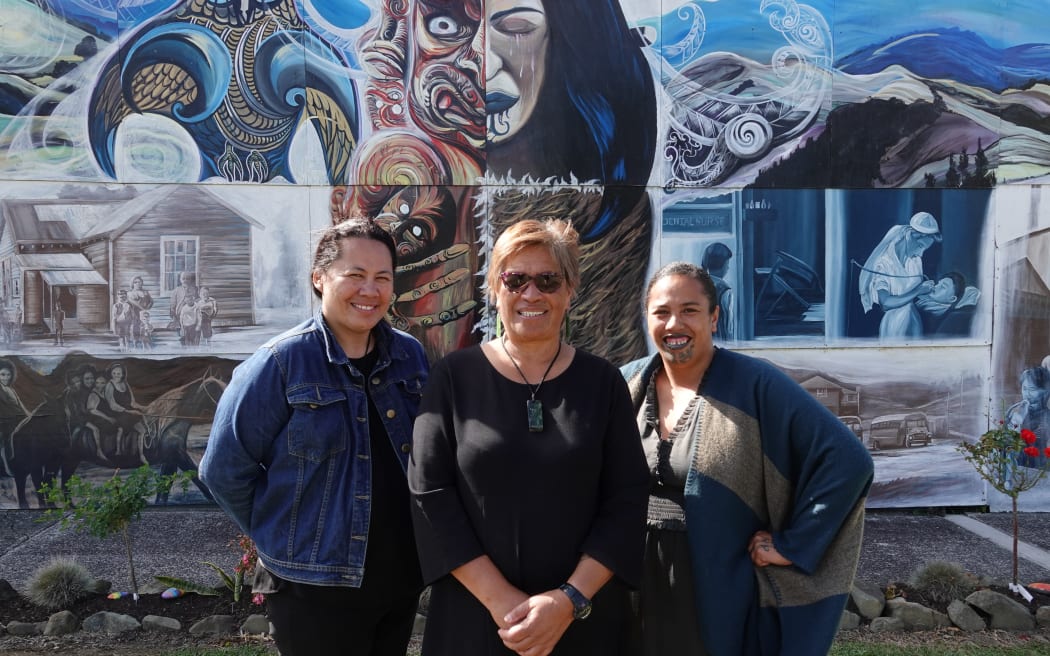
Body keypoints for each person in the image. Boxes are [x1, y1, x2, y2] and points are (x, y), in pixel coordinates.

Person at [408, 219, 648, 655]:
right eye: (515, 279)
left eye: (547, 280)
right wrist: (504, 603)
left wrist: (567, 601)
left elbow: (627, 500)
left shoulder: (603, 383)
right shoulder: (452, 379)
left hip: (583, 622)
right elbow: (430, 495)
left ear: (570, 290)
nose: (531, 294)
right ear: (494, 290)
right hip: (476, 620)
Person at [200, 217, 429, 656]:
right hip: (313, 587)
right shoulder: (280, 364)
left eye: (383, 278)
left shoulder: (409, 355)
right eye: (355, 275)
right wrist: (285, 536)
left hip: (399, 577)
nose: (371, 290)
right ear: (320, 279)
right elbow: (223, 471)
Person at [620, 262, 874, 656]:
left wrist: (795, 544)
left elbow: (848, 460)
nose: (675, 324)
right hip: (633, 582)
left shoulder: (754, 384)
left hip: (713, 585)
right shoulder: (626, 383)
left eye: (690, 310)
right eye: (662, 312)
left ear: (714, 317)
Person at [859, 211, 941, 339]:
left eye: (925, 249)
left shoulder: (915, 260)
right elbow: (885, 302)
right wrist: (918, 290)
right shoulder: (884, 263)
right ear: (910, 236)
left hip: (913, 324)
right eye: (920, 246)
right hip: (894, 328)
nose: (921, 253)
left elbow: (913, 296)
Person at [103, 362, 148, 464]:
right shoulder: (109, 385)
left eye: (118, 373)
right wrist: (129, 411)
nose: (116, 376)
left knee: (143, 427)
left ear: (123, 374)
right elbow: (112, 405)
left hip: (129, 411)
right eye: (114, 373)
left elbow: (132, 402)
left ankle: (141, 454)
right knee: (135, 426)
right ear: (111, 373)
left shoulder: (125, 384)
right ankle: (120, 451)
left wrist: (143, 408)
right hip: (116, 412)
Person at [1007, 367, 1050, 469]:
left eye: (1032, 390)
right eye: (1024, 389)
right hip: (1017, 465)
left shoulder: (1047, 417)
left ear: (1046, 391)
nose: (1027, 394)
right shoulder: (1015, 413)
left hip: (1040, 469)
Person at [0, 359, 29, 477]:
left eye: (8, 374)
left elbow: (22, 406)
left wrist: (31, 417)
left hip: (17, 419)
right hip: (3, 422)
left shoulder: (11, 390)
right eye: (2, 374)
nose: (6, 378)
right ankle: (7, 467)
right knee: (8, 439)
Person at [701, 242, 734, 341]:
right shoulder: (725, 290)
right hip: (721, 338)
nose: (728, 268)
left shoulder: (699, 285)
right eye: (727, 264)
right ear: (722, 264)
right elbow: (729, 324)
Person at [126, 276, 154, 348]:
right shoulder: (130, 293)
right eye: (135, 282)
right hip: (135, 313)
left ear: (142, 283)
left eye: (139, 282)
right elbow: (133, 303)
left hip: (144, 313)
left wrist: (147, 308)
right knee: (136, 327)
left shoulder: (145, 292)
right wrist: (142, 309)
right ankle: (135, 343)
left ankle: (146, 343)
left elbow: (151, 301)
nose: (138, 283)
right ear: (132, 283)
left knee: (145, 327)